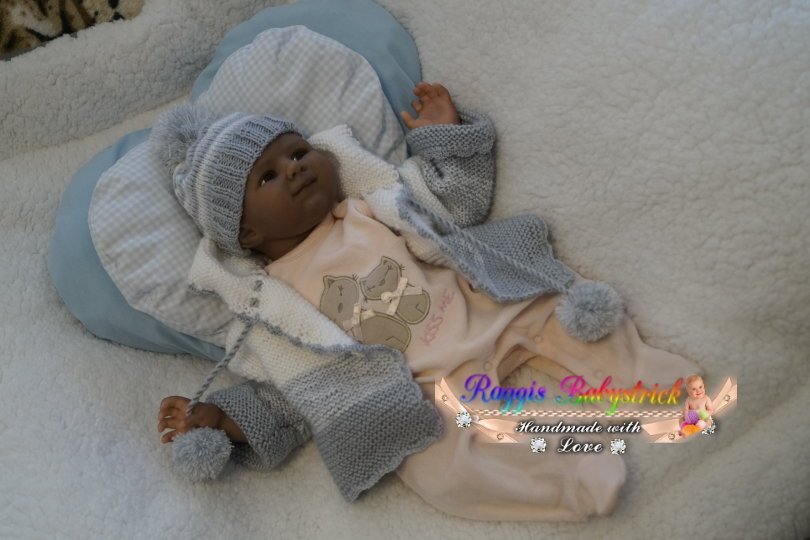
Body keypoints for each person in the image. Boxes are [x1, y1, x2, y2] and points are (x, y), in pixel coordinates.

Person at [155, 82, 701, 521]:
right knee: (439, 472)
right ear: (245, 233)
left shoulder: (370, 205)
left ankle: (651, 382)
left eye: (297, 151)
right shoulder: (270, 308)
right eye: (269, 176)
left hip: (481, 308)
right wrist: (220, 420)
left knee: (565, 309)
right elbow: (292, 396)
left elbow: (456, 201)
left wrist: (445, 135)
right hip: (422, 390)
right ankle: (568, 477)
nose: (294, 167)